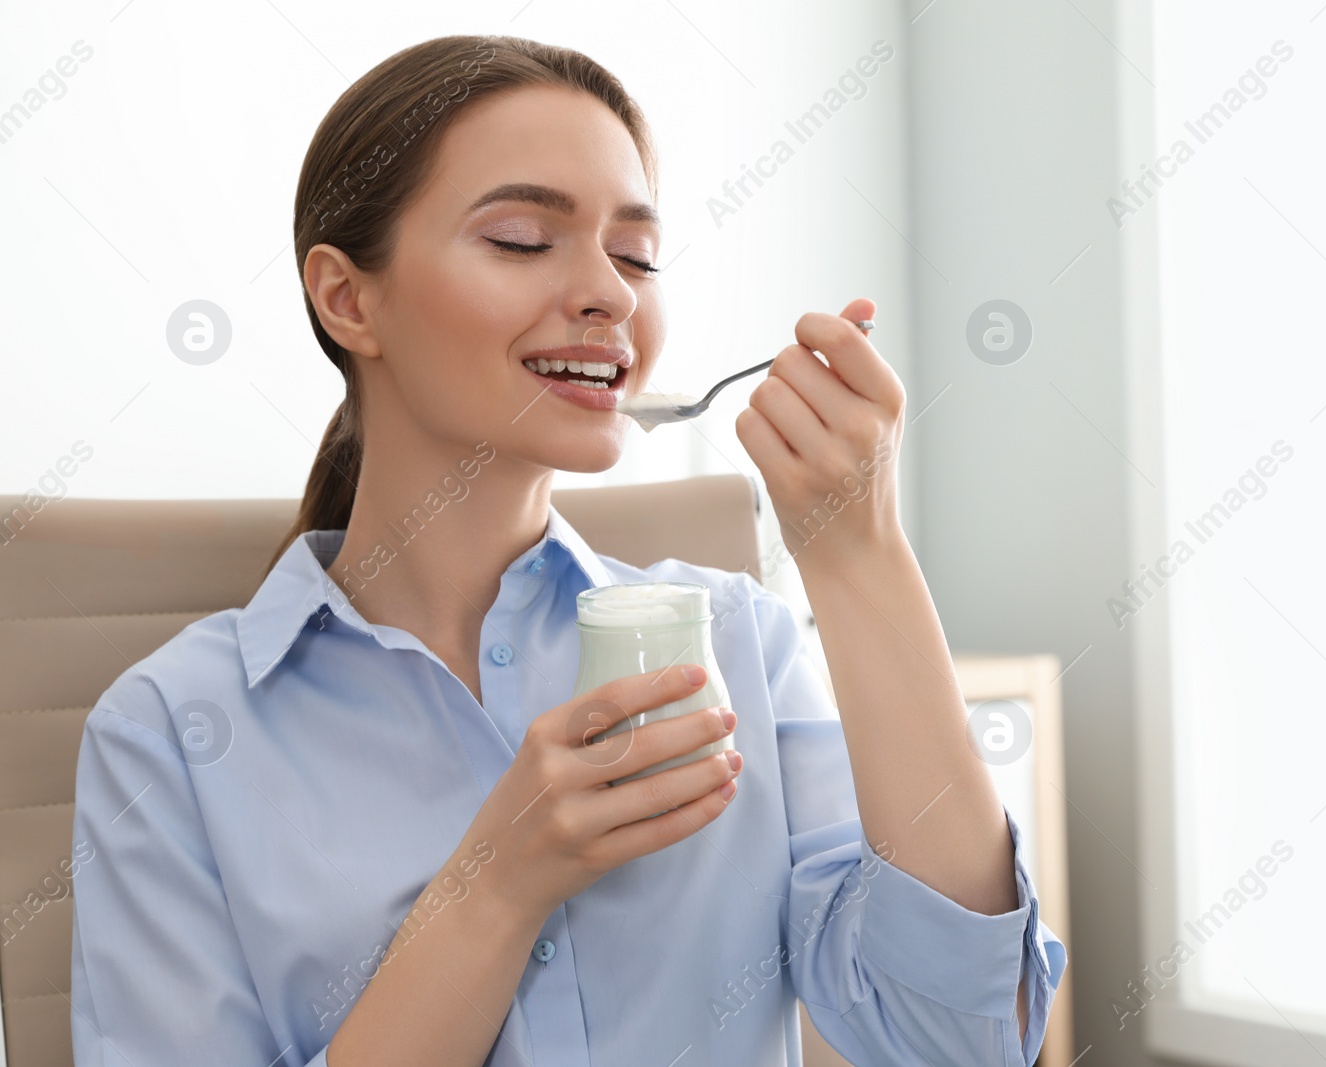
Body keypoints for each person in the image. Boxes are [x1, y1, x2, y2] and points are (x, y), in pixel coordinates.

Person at [68, 33, 1066, 1066]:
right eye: (520, 238)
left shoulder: (741, 648)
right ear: (347, 298)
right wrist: (498, 877)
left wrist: (859, 555)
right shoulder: (169, 736)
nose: (612, 294)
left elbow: (963, 1041)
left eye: (634, 255)